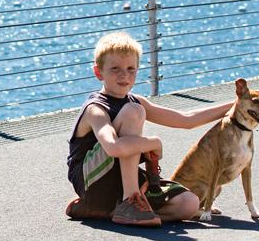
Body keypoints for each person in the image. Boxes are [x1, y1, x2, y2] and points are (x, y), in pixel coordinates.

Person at [65, 31, 234, 226]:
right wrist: (153, 142)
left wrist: (235, 106)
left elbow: (186, 119)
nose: (124, 75)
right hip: (92, 183)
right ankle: (129, 203)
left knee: (188, 204)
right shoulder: (96, 109)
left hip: (120, 181)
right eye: (115, 69)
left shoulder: (134, 100)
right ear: (98, 73)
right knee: (134, 111)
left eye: (131, 69)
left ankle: (108, 210)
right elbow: (113, 147)